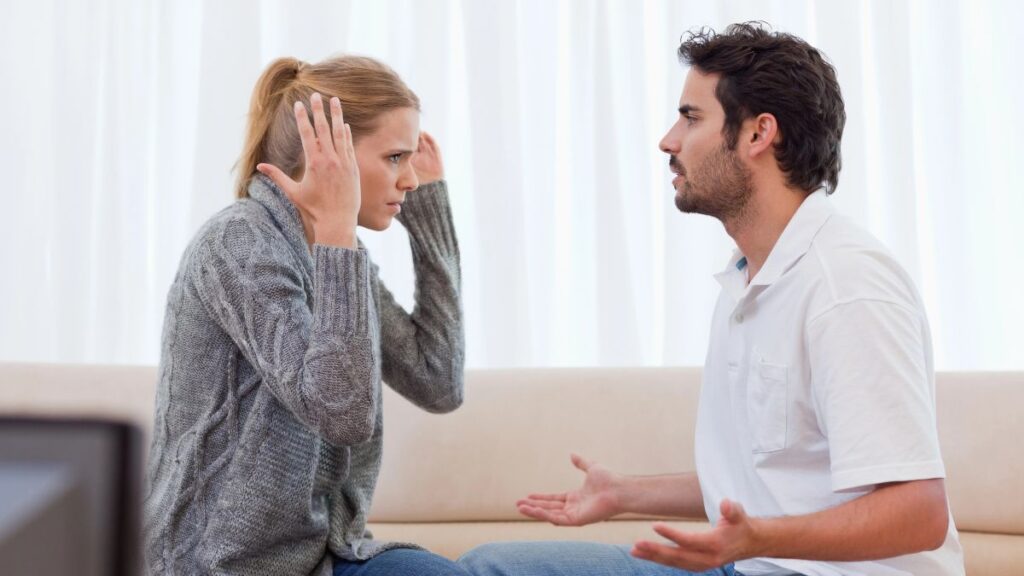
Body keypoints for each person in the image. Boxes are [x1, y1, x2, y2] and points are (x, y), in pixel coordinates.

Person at [457, 22, 965, 576]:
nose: (669, 140)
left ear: (756, 135)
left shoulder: (846, 287)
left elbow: (920, 513)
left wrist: (755, 541)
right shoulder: (749, 278)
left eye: (691, 117)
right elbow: (772, 475)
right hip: (754, 566)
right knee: (492, 564)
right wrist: (625, 493)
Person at [144, 55, 472, 576]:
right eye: (393, 158)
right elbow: (342, 413)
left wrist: (429, 219)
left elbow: (439, 381)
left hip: (324, 556)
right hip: (214, 566)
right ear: (328, 154)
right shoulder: (240, 243)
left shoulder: (339, 258)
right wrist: (339, 232)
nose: (409, 179)